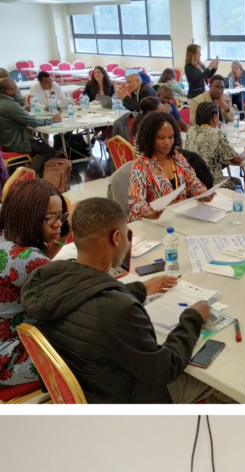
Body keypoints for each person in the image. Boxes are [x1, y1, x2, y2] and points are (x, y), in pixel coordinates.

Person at [20, 197, 221, 404]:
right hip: (124, 398)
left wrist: (139, 289)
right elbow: (164, 368)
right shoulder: (118, 310)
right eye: (127, 234)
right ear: (116, 238)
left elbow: (85, 297)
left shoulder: (48, 277)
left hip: (90, 387)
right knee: (219, 378)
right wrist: (192, 318)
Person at [0, 179, 68, 389]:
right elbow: (69, 296)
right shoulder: (26, 259)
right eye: (49, 218)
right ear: (28, 218)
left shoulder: (6, 240)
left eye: (61, 216)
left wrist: (57, 235)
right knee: (90, 352)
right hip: (11, 357)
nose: (58, 224)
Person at [128, 112, 211, 222]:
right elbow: (136, 201)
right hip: (153, 223)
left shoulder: (177, 158)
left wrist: (201, 192)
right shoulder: (141, 165)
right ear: (150, 139)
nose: (167, 142)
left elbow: (193, 183)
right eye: (161, 138)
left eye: (171, 137)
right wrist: (147, 211)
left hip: (179, 218)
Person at [0, 78, 59, 174]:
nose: (18, 89)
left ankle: (18, 172)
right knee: (50, 151)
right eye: (15, 87)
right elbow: (33, 122)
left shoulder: (4, 102)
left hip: (5, 141)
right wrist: (53, 119)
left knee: (38, 145)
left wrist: (21, 110)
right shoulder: (10, 105)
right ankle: (28, 174)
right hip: (16, 144)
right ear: (9, 91)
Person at [185, 102, 245, 184]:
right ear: (215, 117)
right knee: (237, 182)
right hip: (212, 183)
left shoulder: (191, 131)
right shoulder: (216, 133)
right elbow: (236, 160)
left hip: (193, 182)